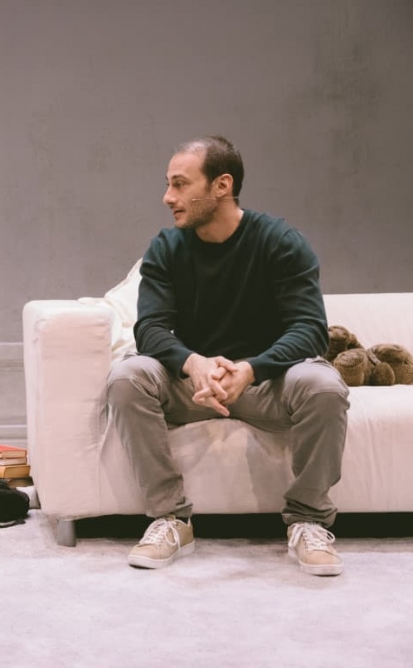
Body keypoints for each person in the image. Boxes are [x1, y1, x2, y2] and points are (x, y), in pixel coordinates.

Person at [106, 136, 349, 576]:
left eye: (180, 184)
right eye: (168, 184)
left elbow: (310, 329)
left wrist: (252, 369)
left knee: (324, 385)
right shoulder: (167, 247)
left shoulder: (280, 241)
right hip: (193, 385)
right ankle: (171, 519)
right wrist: (193, 363)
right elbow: (150, 328)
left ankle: (309, 521)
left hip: (267, 383)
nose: (168, 197)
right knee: (127, 377)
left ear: (222, 185)